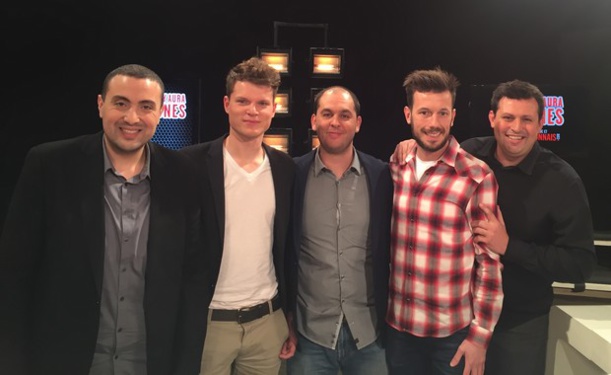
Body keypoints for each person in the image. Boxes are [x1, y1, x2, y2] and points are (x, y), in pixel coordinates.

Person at [0, 64, 201, 375]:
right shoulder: (48, 165)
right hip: (64, 358)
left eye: (145, 106)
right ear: (100, 104)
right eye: (120, 103)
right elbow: (14, 275)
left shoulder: (184, 174)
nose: (132, 118)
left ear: (161, 112)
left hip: (150, 361)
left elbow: (190, 281)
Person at [392, 79, 597, 374]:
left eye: (527, 119)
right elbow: (433, 151)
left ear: (541, 123)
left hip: (519, 321)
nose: (516, 127)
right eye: (508, 117)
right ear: (493, 119)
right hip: (461, 318)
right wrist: (408, 145)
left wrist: (509, 247)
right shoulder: (472, 154)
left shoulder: (563, 181)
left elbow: (580, 265)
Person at [178, 56, 296, 375]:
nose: (252, 111)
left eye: (262, 103)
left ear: (274, 108)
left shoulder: (286, 169)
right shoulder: (190, 164)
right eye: (243, 101)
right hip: (209, 323)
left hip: (267, 321)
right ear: (227, 103)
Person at [385, 67, 503, 375]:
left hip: (451, 335)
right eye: (424, 112)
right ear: (408, 114)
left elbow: (489, 265)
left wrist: (480, 337)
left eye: (442, 113)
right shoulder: (397, 164)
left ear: (452, 116)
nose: (434, 123)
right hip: (399, 329)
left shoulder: (476, 175)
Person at [285, 86, 393, 375]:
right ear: (313, 121)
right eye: (327, 114)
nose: (335, 122)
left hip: (370, 334)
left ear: (357, 123)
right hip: (310, 336)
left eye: (345, 115)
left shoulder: (383, 175)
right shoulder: (292, 175)